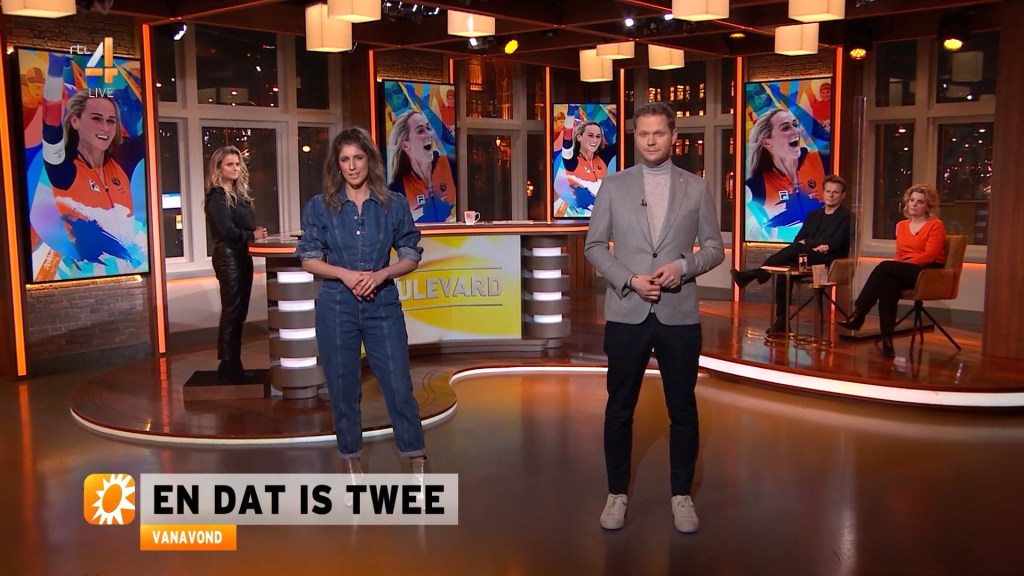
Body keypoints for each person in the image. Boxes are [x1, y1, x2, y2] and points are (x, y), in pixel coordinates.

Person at [585, 102, 724, 534]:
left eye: (658, 133)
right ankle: (616, 493)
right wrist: (629, 280)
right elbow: (594, 247)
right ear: (635, 136)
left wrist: (683, 267)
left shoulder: (696, 187)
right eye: (643, 133)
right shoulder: (613, 185)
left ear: (673, 135)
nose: (650, 141)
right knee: (619, 410)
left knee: (682, 410)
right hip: (627, 313)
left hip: (678, 316)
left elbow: (714, 249)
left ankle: (681, 496)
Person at [298, 126, 427, 479]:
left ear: (370, 160)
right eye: (345, 160)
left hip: (382, 306)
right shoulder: (321, 206)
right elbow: (308, 258)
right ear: (337, 165)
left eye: (358, 158)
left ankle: (416, 458)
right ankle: (351, 459)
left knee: (398, 385)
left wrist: (382, 274)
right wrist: (345, 274)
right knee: (343, 389)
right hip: (336, 307)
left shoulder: (393, 205)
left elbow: (411, 254)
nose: (352, 166)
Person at [39, 52, 146, 274]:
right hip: (84, 275)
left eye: (111, 121)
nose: (105, 128)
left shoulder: (120, 161)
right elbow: (50, 127)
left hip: (129, 273)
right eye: (96, 119)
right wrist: (55, 68)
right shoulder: (63, 169)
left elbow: (152, 132)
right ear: (75, 121)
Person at [838, 184, 947, 358]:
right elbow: (900, 254)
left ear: (928, 206)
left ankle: (859, 313)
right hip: (905, 269)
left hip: (928, 271)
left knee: (886, 267)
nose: (914, 204)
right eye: (912, 200)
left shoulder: (935, 225)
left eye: (920, 202)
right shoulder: (901, 226)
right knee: (889, 285)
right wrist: (900, 266)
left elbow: (929, 256)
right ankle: (887, 339)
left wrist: (902, 265)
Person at [731, 175, 851, 332]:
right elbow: (798, 240)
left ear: (843, 195)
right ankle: (781, 321)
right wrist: (813, 245)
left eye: (835, 192)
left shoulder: (846, 217)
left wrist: (809, 244)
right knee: (783, 269)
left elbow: (836, 243)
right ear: (823, 192)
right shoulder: (813, 215)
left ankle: (755, 274)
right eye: (828, 191)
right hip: (807, 257)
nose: (831, 195)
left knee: (795, 250)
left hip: (829, 262)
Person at [205, 146, 268, 383]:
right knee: (232, 312)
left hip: (242, 256)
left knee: (239, 312)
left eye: (237, 164)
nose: (235, 168)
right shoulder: (216, 197)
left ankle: (234, 364)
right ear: (218, 168)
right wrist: (251, 235)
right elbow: (227, 232)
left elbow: (243, 227)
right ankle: (228, 365)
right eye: (229, 164)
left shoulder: (238, 195)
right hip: (228, 257)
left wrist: (255, 233)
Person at [745, 108, 827, 242]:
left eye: (795, 125)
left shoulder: (822, 160)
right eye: (785, 128)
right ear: (767, 142)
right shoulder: (757, 184)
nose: (796, 131)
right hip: (784, 247)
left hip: (821, 246)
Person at [387, 109, 455, 223]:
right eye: (420, 131)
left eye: (428, 128)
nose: (429, 134)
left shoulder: (452, 164)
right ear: (405, 145)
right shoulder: (396, 190)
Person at [560, 114, 617, 212]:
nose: (595, 140)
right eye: (590, 135)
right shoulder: (572, 161)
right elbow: (566, 142)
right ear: (579, 137)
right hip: (580, 214)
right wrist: (570, 112)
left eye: (598, 136)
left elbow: (623, 142)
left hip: (603, 213)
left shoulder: (603, 157)